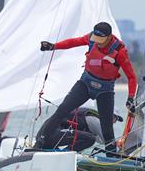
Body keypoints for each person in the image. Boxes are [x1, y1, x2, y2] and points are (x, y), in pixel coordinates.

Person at [36, 22, 136, 153]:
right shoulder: (91, 39)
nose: (98, 43)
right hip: (85, 83)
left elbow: (132, 77)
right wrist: (53, 46)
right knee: (62, 109)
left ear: (109, 37)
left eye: (101, 40)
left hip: (105, 90)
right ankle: (39, 143)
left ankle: (111, 156)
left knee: (106, 128)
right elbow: (73, 42)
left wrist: (130, 98)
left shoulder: (120, 52)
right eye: (96, 39)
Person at [36, 107, 124, 152]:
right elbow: (107, 141)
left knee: (90, 137)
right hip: (48, 135)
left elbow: (100, 140)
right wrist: (119, 145)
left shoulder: (94, 119)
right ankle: (66, 154)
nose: (114, 122)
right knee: (90, 139)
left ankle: (64, 152)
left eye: (116, 120)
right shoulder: (95, 120)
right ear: (107, 114)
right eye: (114, 118)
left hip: (45, 137)